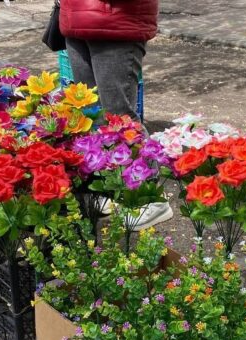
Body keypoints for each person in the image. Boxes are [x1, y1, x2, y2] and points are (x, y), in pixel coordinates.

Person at [60, 0, 173, 230]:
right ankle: (107, 189)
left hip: (116, 22)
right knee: (91, 115)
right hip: (75, 17)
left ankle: (152, 198)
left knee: (120, 118)